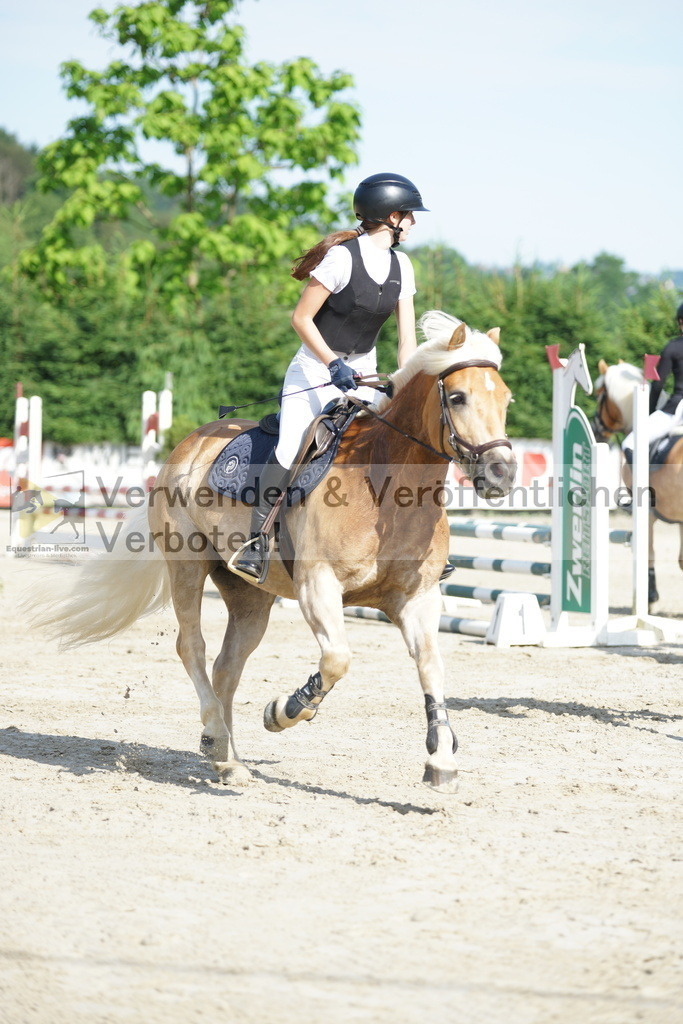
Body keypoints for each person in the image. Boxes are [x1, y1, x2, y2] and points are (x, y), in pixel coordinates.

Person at [232, 171, 433, 583]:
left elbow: (406, 336)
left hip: (366, 369)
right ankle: (257, 540)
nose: (414, 223)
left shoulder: (403, 266)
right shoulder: (342, 258)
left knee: (396, 443)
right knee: (292, 448)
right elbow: (301, 318)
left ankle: (413, 538)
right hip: (314, 367)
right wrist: (331, 364)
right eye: (410, 215)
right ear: (390, 216)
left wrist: (405, 380)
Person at [622, 301, 683, 453]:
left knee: (629, 443)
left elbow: (657, 385)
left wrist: (649, 412)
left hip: (677, 408)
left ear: (680, 321)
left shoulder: (673, 347)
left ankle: (641, 477)